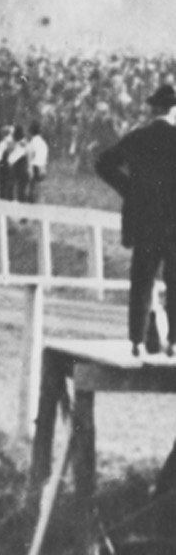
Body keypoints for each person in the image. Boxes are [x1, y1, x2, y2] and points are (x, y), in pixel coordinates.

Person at [95, 84, 176, 360]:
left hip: (145, 220)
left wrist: (130, 189)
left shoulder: (138, 137)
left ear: (153, 108)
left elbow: (103, 163)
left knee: (141, 281)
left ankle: (136, 341)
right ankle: (174, 343)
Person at [25, 122, 49, 204]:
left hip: (34, 168)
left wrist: (29, 169)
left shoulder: (32, 143)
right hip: (42, 168)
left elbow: (30, 157)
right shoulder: (43, 143)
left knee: (31, 191)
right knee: (38, 191)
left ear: (30, 132)